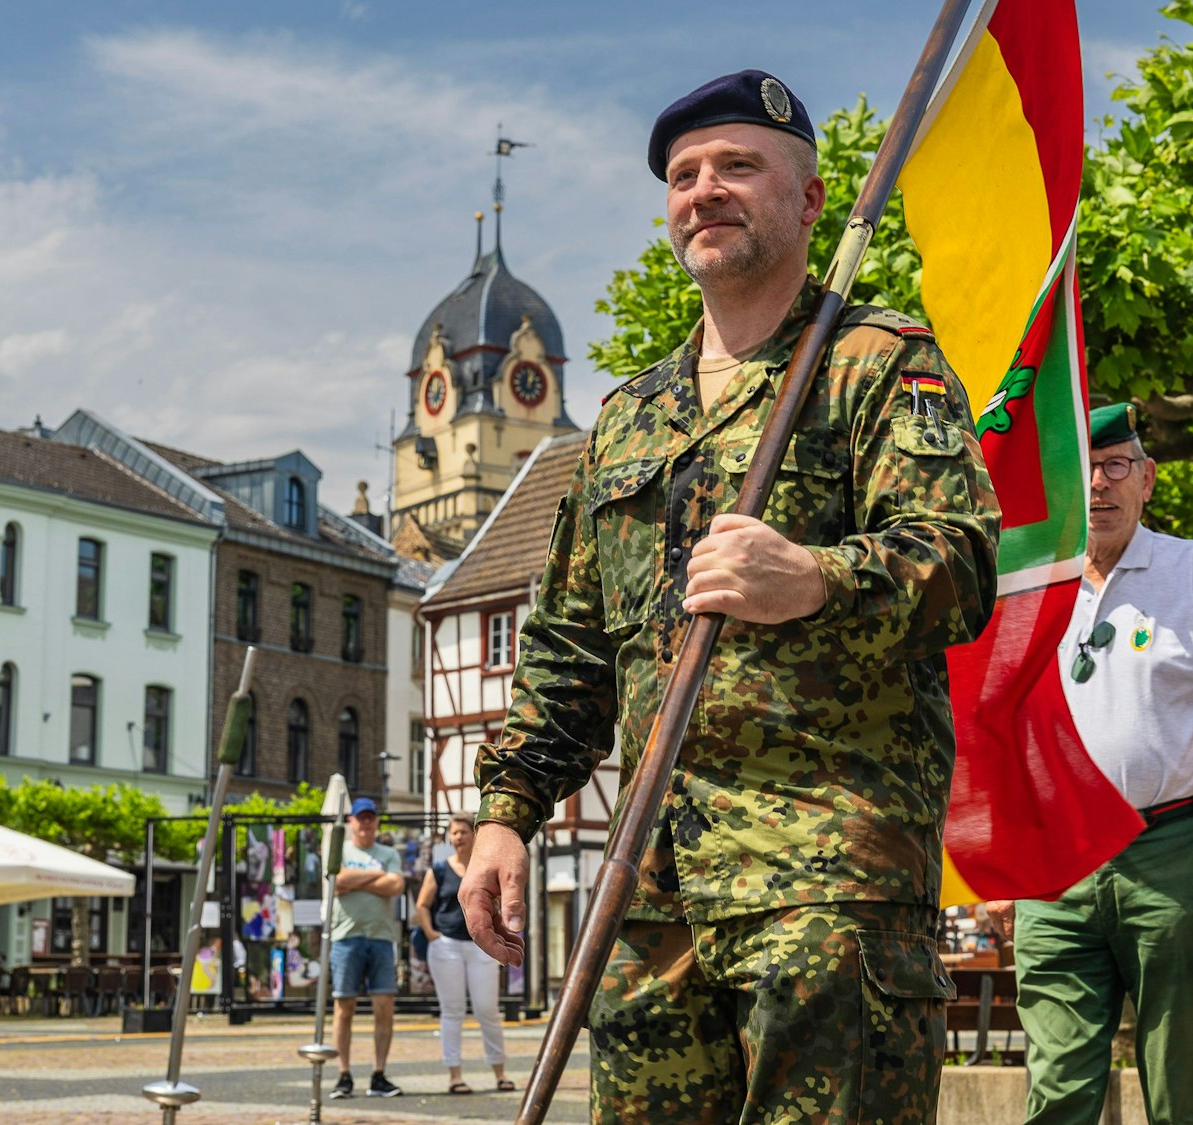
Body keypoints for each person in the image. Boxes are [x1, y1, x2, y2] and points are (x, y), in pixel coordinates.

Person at [462, 69, 999, 1124]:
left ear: (806, 201)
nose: (703, 190)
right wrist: (505, 815)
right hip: (650, 892)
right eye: (683, 175)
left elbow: (961, 562)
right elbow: (568, 648)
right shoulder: (625, 421)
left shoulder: (873, 364)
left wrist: (815, 577)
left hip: (825, 885)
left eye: (737, 167)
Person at [986, 403, 1193, 1124]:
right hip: (1055, 862)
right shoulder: (1025, 579)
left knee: (1185, 1084)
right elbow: (1001, 724)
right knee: (1056, 1087)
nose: (1098, 484)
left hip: (1173, 851)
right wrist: (1000, 860)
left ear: (1147, 478)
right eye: (1081, 468)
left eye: (1116, 465)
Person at [413, 813, 511, 1095]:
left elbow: (499, 903)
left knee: (487, 1010)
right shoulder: (439, 871)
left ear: (474, 835)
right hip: (447, 947)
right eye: (454, 833)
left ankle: (500, 1073)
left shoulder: (485, 869)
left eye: (463, 832)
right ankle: (455, 1075)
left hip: (481, 947)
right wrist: (433, 935)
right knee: (452, 1011)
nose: (458, 837)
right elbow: (422, 905)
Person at [330, 797, 405, 1100]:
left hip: (381, 938)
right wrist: (377, 875)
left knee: (384, 1007)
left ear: (376, 822)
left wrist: (355, 881)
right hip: (346, 936)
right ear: (351, 821)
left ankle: (378, 1074)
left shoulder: (388, 852)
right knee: (344, 1007)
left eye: (370, 818)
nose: (366, 823)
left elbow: (397, 886)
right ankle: (344, 1074)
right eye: (360, 818)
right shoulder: (341, 850)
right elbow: (337, 881)